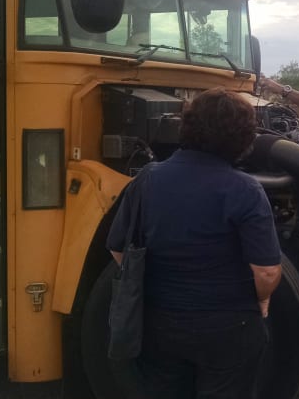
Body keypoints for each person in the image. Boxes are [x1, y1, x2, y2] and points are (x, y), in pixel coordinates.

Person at [106, 88, 282, 398]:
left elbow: (118, 248)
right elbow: (266, 271)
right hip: (229, 328)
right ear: (243, 138)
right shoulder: (246, 189)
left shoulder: (146, 179)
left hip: (159, 325)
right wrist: (263, 299)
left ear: (186, 126)